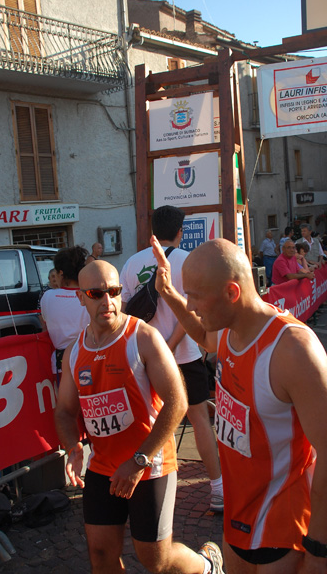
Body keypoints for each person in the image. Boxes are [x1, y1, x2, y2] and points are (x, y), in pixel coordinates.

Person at [151, 235, 327, 574]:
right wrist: (168, 293)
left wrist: (319, 551)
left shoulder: (293, 350)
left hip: (282, 527)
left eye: (196, 297)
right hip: (238, 516)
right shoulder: (227, 327)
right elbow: (202, 335)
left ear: (232, 293)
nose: (193, 305)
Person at [54, 260, 224, 574]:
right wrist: (73, 446)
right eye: (96, 293)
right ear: (80, 297)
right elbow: (65, 411)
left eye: (114, 291)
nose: (107, 301)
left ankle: (206, 566)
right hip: (103, 467)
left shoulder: (143, 337)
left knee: (155, 560)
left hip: (150, 465)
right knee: (101, 556)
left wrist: (139, 459)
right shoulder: (75, 352)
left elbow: (177, 402)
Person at [120, 205, 223, 512]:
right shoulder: (188, 260)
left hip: (145, 358)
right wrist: (170, 344)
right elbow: (189, 310)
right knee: (199, 420)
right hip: (184, 355)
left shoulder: (131, 263)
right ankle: (217, 490)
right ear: (180, 231)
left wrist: (155, 347)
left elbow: (127, 314)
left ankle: (141, 485)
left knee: (145, 422)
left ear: (152, 229)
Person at [41, 246, 90, 381]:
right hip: (88, 357)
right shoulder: (90, 296)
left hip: (60, 363)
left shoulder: (47, 297)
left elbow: (46, 321)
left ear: (61, 273)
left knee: (65, 401)